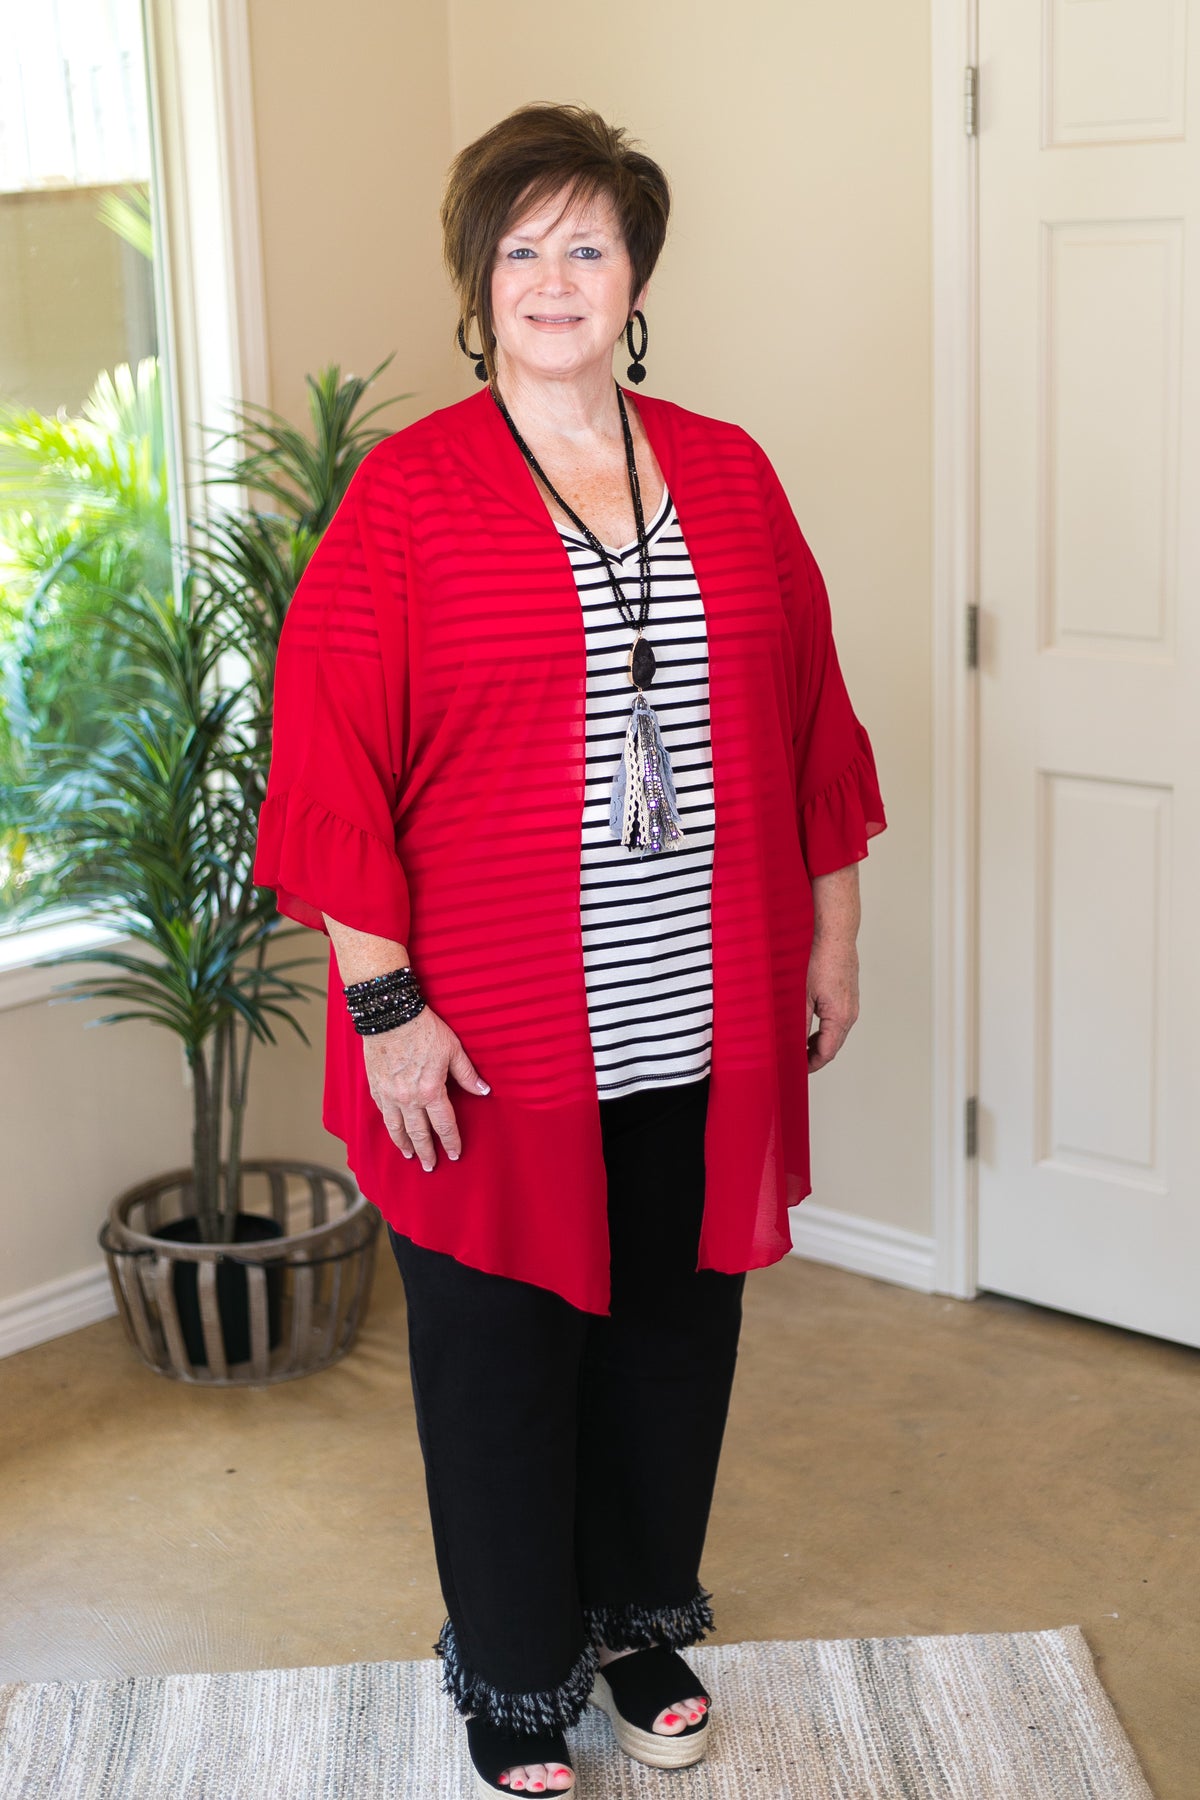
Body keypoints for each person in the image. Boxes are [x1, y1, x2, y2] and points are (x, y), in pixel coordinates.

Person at [254, 102, 886, 1798]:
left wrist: (831, 935)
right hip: (490, 1029)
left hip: (702, 1004)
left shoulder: (732, 475)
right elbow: (329, 772)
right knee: (503, 1360)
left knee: (673, 1339)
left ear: (637, 277)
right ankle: (517, 1669)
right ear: (478, 284)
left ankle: (637, 1622)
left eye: (587, 245)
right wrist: (387, 1004)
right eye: (520, 248)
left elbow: (812, 722)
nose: (554, 278)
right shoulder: (408, 497)